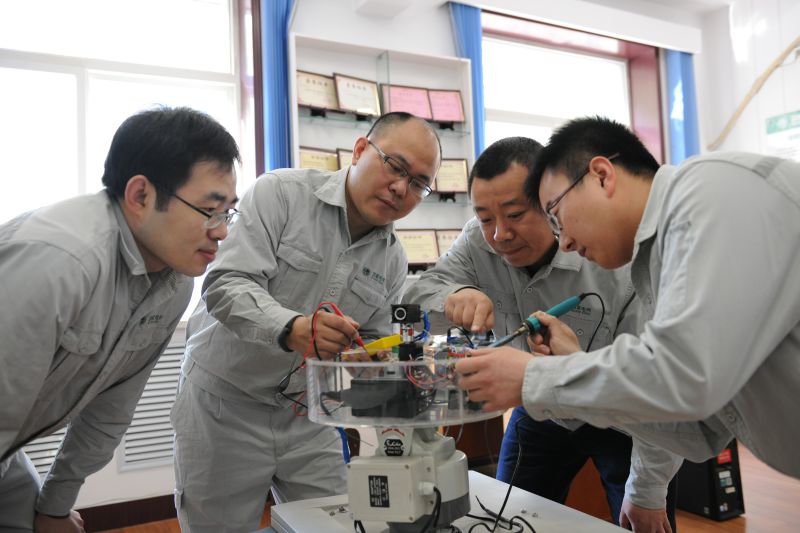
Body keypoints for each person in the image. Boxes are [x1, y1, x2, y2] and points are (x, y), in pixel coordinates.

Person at [456, 116, 800, 488]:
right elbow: (699, 433)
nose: (564, 241)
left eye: (556, 215)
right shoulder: (657, 259)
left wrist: (532, 377)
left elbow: (688, 374)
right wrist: (574, 364)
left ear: (601, 175)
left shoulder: (710, 191)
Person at [172, 111, 442, 533]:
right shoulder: (280, 194)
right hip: (224, 404)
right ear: (360, 150)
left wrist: (376, 364)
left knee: (336, 525)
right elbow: (225, 284)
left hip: (306, 412)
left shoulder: (393, 260)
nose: (400, 188)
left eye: (419, 183)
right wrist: (292, 328)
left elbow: (371, 341)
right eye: (395, 166)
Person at [404, 137, 678, 532]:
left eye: (515, 214)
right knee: (508, 518)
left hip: (627, 419)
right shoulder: (477, 242)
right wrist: (455, 294)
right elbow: (417, 296)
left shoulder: (616, 255)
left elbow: (659, 388)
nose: (500, 235)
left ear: (551, 203)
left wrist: (649, 490)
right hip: (541, 407)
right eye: (485, 218)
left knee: (642, 518)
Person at [0, 106, 240, 533]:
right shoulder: (61, 263)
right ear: (140, 195)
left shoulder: (173, 282)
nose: (221, 231)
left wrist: (55, 507)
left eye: (228, 213)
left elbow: (111, 409)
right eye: (210, 210)